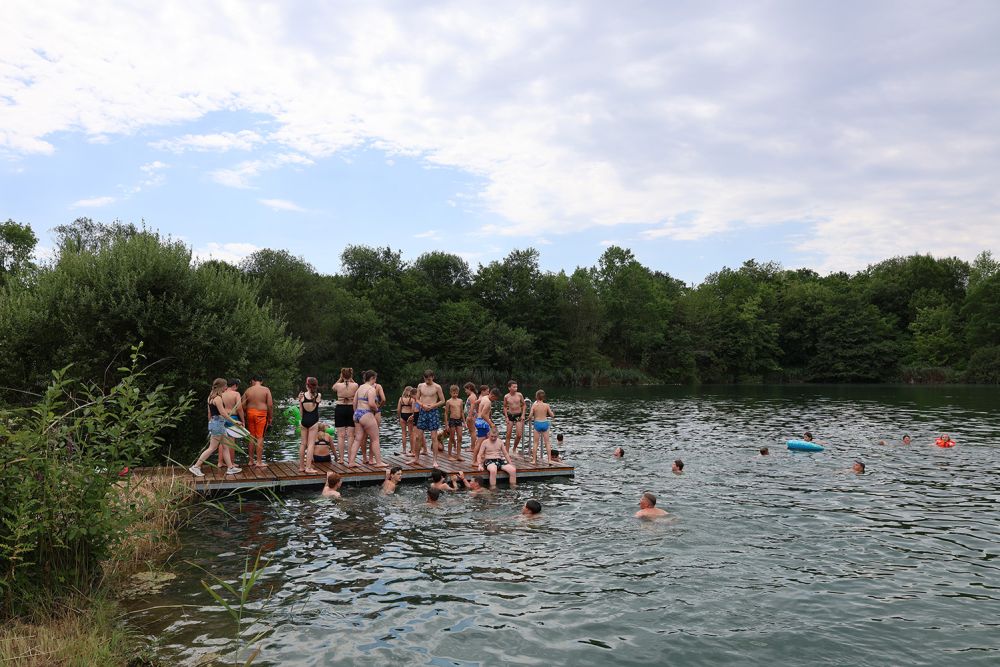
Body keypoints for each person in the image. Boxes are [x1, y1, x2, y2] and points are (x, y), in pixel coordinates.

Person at [190, 378, 242, 477]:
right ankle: (196, 467)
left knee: (226, 447)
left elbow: (211, 413)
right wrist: (235, 422)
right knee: (212, 448)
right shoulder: (217, 398)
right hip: (218, 424)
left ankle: (230, 468)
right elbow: (223, 413)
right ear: (222, 387)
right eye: (226, 386)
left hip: (217, 423)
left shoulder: (210, 397)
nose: (226, 388)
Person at [349, 370, 386, 468]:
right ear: (372, 378)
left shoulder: (360, 387)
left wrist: (355, 413)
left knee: (357, 439)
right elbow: (371, 404)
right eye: (375, 378)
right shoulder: (371, 389)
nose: (375, 380)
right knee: (375, 439)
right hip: (366, 414)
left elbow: (354, 402)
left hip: (357, 414)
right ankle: (379, 462)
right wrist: (376, 409)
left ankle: (351, 462)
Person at [412, 369, 446, 467]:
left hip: (433, 411)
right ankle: (416, 459)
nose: (428, 381)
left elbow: (442, 400)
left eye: (430, 379)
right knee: (418, 436)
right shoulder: (420, 386)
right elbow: (417, 399)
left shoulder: (437, 387)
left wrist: (433, 405)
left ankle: (435, 461)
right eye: (426, 379)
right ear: (424, 378)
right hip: (423, 411)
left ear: (433, 377)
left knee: (434, 437)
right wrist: (422, 405)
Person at [241, 375, 272, 468]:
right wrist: (270, 417)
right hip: (261, 414)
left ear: (253, 381)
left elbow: (242, 404)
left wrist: (246, 412)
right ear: (261, 381)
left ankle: (250, 461)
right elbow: (270, 405)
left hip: (250, 413)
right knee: (260, 437)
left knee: (251, 437)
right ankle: (259, 462)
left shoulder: (248, 390)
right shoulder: (266, 390)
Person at [331, 368, 358, 464]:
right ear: (351, 375)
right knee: (351, 436)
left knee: (340, 436)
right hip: (351, 409)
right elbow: (357, 387)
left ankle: (341, 459)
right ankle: (350, 459)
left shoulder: (338, 385)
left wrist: (340, 378)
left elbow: (333, 388)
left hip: (340, 409)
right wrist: (351, 379)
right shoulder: (355, 385)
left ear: (342, 375)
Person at [218, 378, 245, 468]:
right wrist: (243, 420)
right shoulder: (236, 394)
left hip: (221, 417)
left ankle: (220, 462)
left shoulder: (221, 394)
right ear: (234, 385)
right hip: (232, 418)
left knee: (222, 441)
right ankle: (232, 463)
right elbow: (239, 408)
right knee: (231, 442)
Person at [298, 377, 322, 474]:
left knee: (303, 444)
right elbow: (317, 407)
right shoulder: (318, 395)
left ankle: (301, 467)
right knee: (311, 444)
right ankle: (308, 467)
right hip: (313, 421)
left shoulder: (301, 396)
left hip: (304, 421)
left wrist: (300, 399)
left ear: (307, 385)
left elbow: (301, 413)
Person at [473, 387, 501, 462]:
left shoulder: (484, 397)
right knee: (479, 442)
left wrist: (477, 412)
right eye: (495, 399)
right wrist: (491, 423)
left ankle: (484, 457)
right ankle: (474, 461)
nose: (495, 400)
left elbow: (476, 403)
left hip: (479, 420)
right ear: (492, 396)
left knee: (486, 440)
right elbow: (483, 415)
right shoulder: (488, 402)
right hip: (482, 423)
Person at [529, 390, 554, 464]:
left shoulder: (534, 405)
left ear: (536, 397)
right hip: (545, 423)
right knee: (547, 443)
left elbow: (530, 416)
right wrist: (552, 414)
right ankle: (549, 460)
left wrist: (531, 417)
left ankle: (533, 460)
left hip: (537, 424)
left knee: (535, 443)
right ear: (544, 397)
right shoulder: (546, 405)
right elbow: (552, 415)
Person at [503, 380, 526, 455]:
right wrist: (506, 417)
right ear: (509, 388)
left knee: (519, 435)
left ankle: (514, 449)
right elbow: (505, 407)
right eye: (514, 387)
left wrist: (523, 415)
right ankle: (506, 452)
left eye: (516, 386)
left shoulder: (519, 395)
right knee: (508, 434)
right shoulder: (506, 396)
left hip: (518, 415)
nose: (516, 388)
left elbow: (524, 405)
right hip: (510, 416)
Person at [444, 385, 465, 461]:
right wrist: (446, 424)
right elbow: (446, 413)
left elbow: (462, 412)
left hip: (459, 420)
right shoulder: (448, 401)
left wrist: (464, 422)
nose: (455, 394)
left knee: (460, 437)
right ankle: (449, 455)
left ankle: (458, 455)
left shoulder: (460, 401)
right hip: (452, 420)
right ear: (450, 393)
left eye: (456, 393)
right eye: (453, 393)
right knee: (452, 438)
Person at [397, 386, 417, 456]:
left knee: (403, 433)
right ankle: (412, 449)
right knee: (411, 433)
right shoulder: (412, 399)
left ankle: (404, 450)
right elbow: (413, 409)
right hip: (409, 415)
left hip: (402, 415)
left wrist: (399, 416)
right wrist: (413, 416)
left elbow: (398, 409)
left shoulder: (401, 399)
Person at [464, 382, 479, 454]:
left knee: (472, 431)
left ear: (469, 388)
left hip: (472, 416)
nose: (465, 391)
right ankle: (472, 446)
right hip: (472, 416)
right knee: (472, 431)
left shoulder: (472, 396)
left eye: (466, 389)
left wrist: (469, 416)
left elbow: (472, 406)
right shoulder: (473, 396)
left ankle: (473, 447)